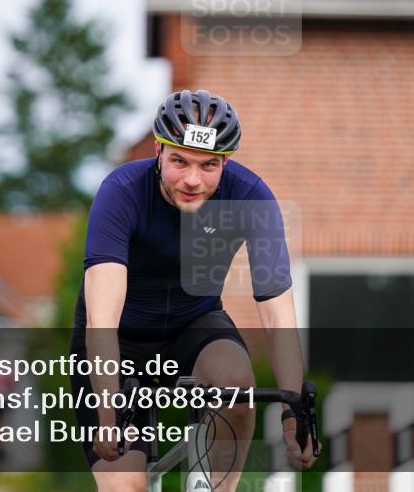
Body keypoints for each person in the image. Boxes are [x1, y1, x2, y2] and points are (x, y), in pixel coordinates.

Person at [70, 89, 319, 492]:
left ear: (226, 163)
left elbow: (278, 316)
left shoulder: (251, 197)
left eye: (208, 165)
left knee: (238, 388)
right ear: (158, 151)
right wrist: (107, 413)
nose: (192, 179)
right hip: (120, 339)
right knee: (125, 485)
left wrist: (294, 413)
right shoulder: (122, 191)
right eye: (179, 161)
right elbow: (102, 321)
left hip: (194, 324)